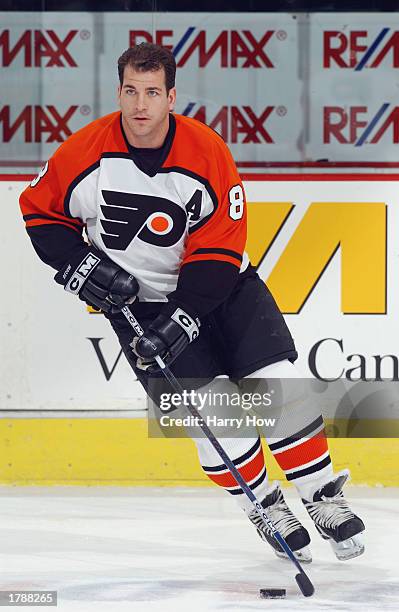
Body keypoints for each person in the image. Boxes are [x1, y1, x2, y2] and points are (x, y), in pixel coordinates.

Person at [20, 42, 365, 563]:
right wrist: (79, 266)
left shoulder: (206, 150)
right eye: (131, 91)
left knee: (275, 385)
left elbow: (220, 247)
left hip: (224, 289)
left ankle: (322, 497)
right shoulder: (83, 152)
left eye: (152, 93)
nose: (140, 105)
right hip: (140, 306)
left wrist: (184, 317)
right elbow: (40, 212)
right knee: (211, 413)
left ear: (171, 97)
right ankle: (266, 505)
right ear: (119, 92)